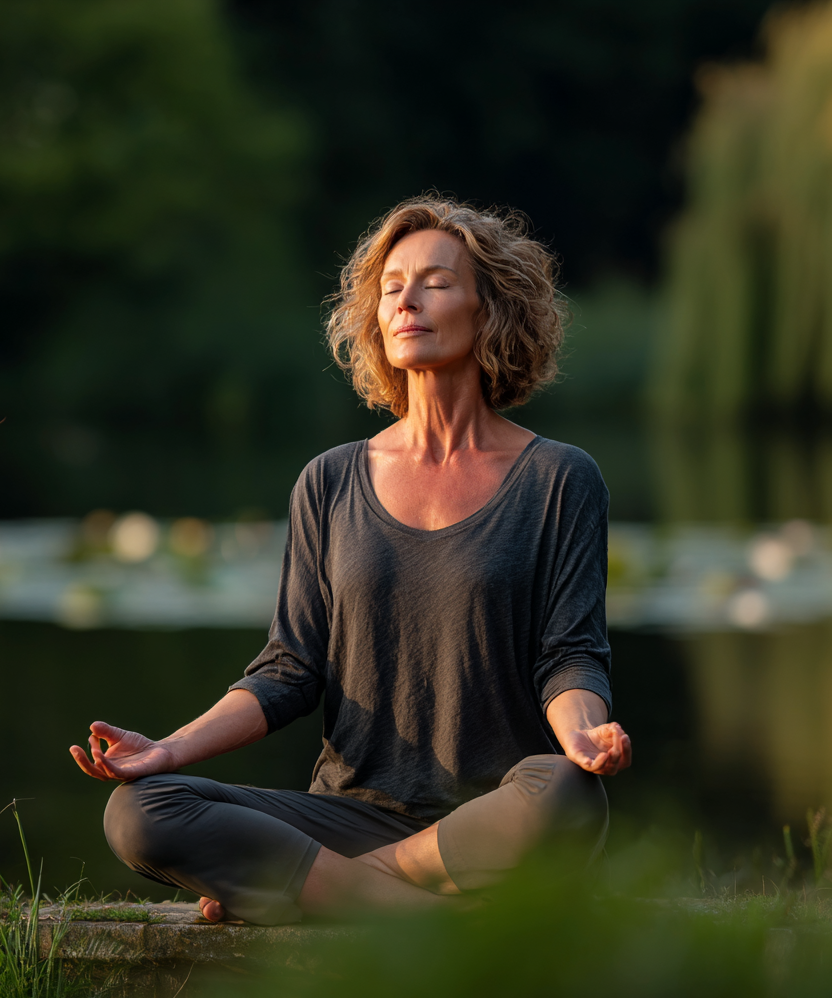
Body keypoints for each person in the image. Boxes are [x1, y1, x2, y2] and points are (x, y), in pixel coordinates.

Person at [69, 196, 632, 926]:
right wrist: (167, 751)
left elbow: (570, 655)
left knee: (566, 791)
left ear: (490, 309)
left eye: (435, 282)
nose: (406, 301)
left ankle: (328, 890)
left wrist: (582, 734)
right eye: (392, 287)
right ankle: (428, 916)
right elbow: (289, 671)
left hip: (493, 812)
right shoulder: (330, 480)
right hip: (346, 815)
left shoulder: (559, 478)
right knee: (140, 811)